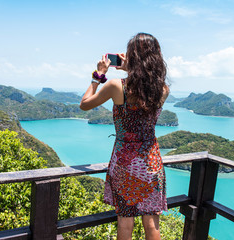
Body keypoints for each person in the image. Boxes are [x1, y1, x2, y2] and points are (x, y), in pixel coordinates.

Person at [80, 33, 169, 240]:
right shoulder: (163, 89)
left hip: (124, 163)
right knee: (152, 225)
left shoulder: (116, 85)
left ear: (132, 56)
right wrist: (133, 69)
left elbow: (85, 104)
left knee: (125, 224)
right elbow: (143, 87)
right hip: (151, 162)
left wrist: (98, 76)